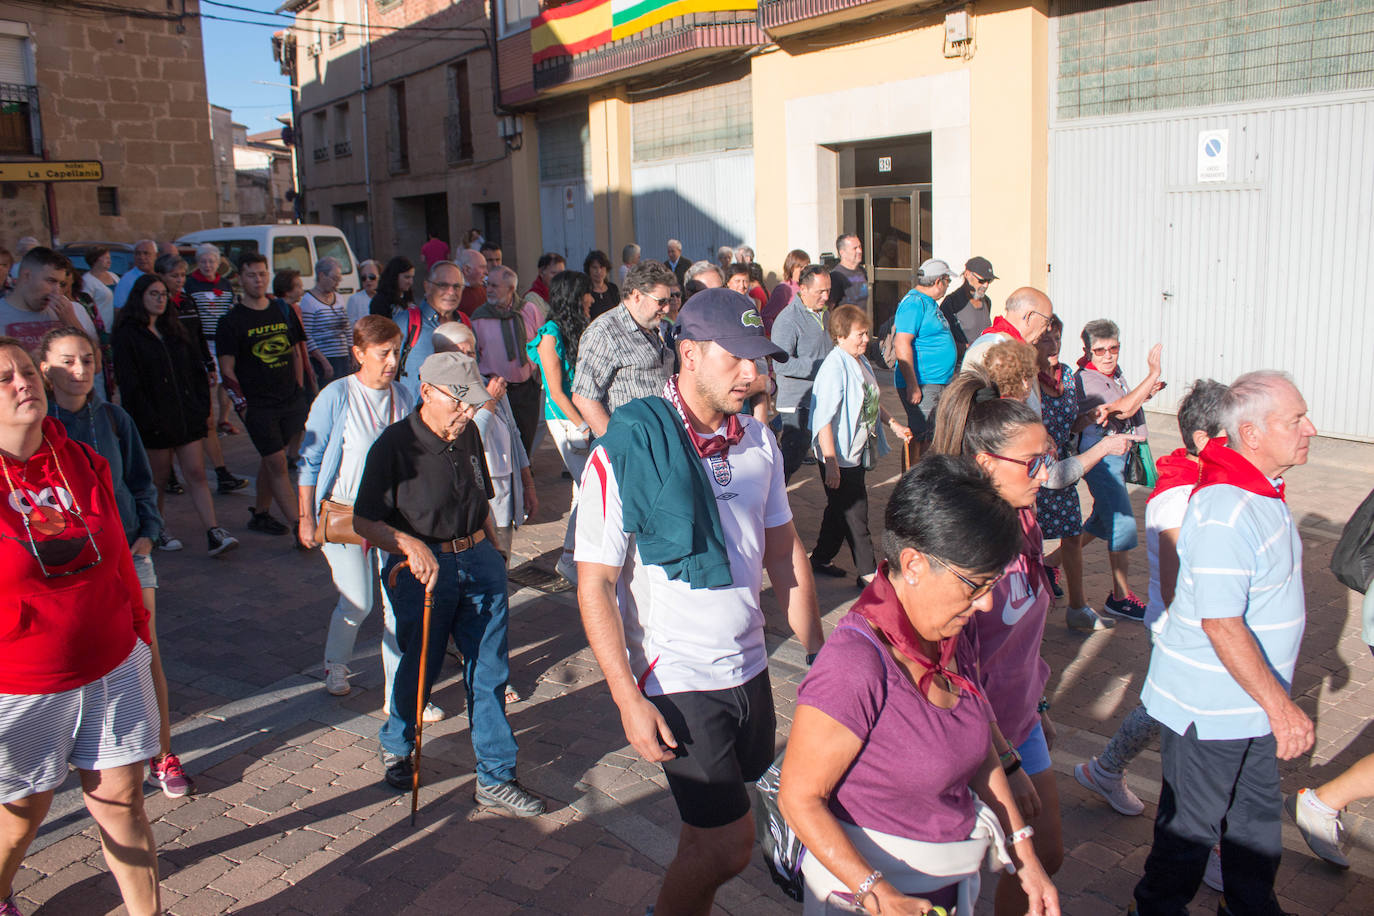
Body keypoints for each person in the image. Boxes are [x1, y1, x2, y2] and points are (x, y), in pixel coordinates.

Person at [575, 288, 824, 916]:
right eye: (736, 357)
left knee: (713, 829)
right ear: (687, 354)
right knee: (728, 847)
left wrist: (820, 655)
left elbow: (784, 553)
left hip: (751, 667)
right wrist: (628, 697)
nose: (754, 372)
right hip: (678, 673)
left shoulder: (759, 444)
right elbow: (596, 583)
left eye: (758, 358)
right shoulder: (624, 448)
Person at [780, 455, 1061, 916]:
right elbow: (799, 797)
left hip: (946, 888)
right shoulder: (855, 665)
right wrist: (879, 894)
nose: (986, 603)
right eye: (975, 585)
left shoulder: (950, 634)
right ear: (912, 563)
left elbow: (974, 745)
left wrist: (1024, 853)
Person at [1134, 371, 1317, 916]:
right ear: (1253, 435)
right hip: (1211, 710)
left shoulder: (1256, 490)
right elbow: (1221, 622)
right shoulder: (1227, 509)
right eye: (1296, 420)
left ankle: (1249, 906)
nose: (1311, 428)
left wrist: (1271, 705)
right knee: (1188, 834)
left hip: (1250, 705)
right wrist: (1282, 708)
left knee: (1255, 823)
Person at [0, 335, 164, 916]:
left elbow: (118, 554)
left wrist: (140, 636)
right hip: (25, 683)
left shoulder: (79, 459)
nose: (24, 384)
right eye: (5, 379)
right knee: (21, 820)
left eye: (26, 372)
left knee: (124, 804)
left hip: (113, 662)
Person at [353, 351, 546, 817]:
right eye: (457, 403)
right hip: (423, 569)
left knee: (491, 670)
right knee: (421, 663)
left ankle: (496, 777)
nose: (466, 413)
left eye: (470, 404)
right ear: (426, 393)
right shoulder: (394, 446)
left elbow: (480, 499)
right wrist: (405, 544)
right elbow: (363, 520)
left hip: (477, 560)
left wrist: (495, 553)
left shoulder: (469, 434)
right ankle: (399, 743)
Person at [39, 327, 195, 800]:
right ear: (45, 369)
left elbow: (141, 480)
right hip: (63, 567)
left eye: (87, 359)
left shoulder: (113, 418)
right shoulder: (35, 427)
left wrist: (148, 531)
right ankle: (65, 753)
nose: (80, 370)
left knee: (145, 651)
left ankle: (162, 754)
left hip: (127, 551)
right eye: (68, 361)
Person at [930, 368, 1065, 916]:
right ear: (985, 463)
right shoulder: (957, 546)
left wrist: (1038, 700)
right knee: (957, 875)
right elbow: (949, 669)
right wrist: (1003, 760)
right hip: (972, 739)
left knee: (1045, 854)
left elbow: (1022, 636)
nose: (1045, 474)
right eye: (1032, 463)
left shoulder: (1025, 519)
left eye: (1046, 460)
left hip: (1020, 721)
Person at [1075, 380, 1229, 816]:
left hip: (1200, 631)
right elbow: (1180, 586)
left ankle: (1106, 769)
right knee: (1186, 723)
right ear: (1205, 439)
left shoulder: (1212, 485)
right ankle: (1205, 833)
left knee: (1164, 709)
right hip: (1185, 631)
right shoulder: (1180, 497)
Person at [298, 315, 413, 701]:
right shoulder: (337, 395)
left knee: (397, 603)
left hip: (392, 516)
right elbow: (310, 458)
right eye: (383, 353)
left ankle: (396, 690)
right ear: (359, 354)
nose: (392, 361)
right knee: (359, 600)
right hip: (344, 514)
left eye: (396, 352)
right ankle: (336, 663)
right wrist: (305, 516)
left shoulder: (406, 396)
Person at [112, 274, 238, 557]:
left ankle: (214, 530)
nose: (159, 299)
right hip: (154, 420)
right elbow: (130, 384)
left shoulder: (174, 329)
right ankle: (156, 528)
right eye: (153, 294)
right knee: (158, 479)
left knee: (196, 473)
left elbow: (195, 369)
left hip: (186, 416)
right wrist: (147, 418)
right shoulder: (128, 334)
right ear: (140, 296)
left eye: (163, 294)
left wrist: (200, 406)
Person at [808, 304, 911, 585]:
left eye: (866, 333)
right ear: (840, 336)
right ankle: (869, 575)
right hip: (839, 455)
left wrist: (894, 425)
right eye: (860, 334)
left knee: (838, 509)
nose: (866, 339)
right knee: (856, 514)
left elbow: (872, 401)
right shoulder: (834, 367)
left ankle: (820, 557)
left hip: (856, 452)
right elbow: (823, 420)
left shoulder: (860, 361)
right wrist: (830, 463)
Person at [1073, 320, 1165, 621]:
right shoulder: (1088, 379)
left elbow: (1127, 403)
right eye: (1100, 351)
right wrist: (1152, 374)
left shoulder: (1115, 374)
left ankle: (1051, 563)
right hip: (1099, 458)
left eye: (1113, 349)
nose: (1108, 356)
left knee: (1101, 520)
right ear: (1088, 351)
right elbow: (1122, 409)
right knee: (1122, 521)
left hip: (1118, 455)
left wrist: (1146, 393)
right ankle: (1120, 597)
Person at [217, 253, 308, 543]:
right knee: (278, 463)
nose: (258, 279)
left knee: (273, 459)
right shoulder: (231, 321)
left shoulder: (282, 309)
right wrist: (241, 407)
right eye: (251, 275)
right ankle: (299, 526)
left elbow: (295, 351)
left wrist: (299, 389)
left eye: (262, 273)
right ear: (240, 279)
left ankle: (260, 512)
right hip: (258, 405)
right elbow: (227, 368)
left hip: (289, 399)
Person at [432, 321, 536, 561]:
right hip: (474, 493)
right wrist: (490, 401)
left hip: (504, 489)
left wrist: (527, 484)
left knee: (503, 559)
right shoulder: (443, 395)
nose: (468, 360)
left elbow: (514, 434)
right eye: (459, 354)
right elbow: (470, 436)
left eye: (471, 352)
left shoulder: (489, 381)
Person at [157, 254, 245, 497]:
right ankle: (169, 476)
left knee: (206, 421)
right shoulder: (156, 305)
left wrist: (209, 365)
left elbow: (198, 336)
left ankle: (221, 472)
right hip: (170, 376)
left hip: (193, 370)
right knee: (174, 424)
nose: (178, 280)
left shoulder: (187, 301)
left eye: (182, 275)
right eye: (173, 276)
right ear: (161, 277)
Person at [527, 270, 593, 583]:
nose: (592, 298)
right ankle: (569, 560)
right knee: (591, 488)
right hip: (567, 419)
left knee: (583, 491)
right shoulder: (550, 334)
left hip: (580, 417)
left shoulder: (576, 327)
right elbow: (555, 392)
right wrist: (583, 425)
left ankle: (571, 559)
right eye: (587, 292)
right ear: (574, 296)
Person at [570, 259, 676, 438]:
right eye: (661, 301)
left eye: (669, 300)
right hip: (629, 448)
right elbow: (584, 398)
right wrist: (619, 444)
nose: (666, 308)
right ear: (636, 295)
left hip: (659, 439)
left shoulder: (652, 327)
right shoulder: (604, 332)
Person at [771, 264, 834, 481]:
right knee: (793, 455)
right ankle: (772, 497)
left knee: (827, 451)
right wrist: (819, 367)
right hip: (798, 401)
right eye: (820, 292)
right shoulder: (787, 319)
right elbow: (781, 364)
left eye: (828, 290)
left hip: (823, 398)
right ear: (803, 290)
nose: (825, 296)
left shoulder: (825, 313)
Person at [472, 265, 542, 456]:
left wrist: (539, 379)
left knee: (525, 442)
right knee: (500, 448)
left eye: (495, 286)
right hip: (496, 391)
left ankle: (525, 480)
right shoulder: (479, 317)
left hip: (527, 389)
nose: (489, 290)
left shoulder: (529, 311)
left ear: (511, 289)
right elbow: (474, 355)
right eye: (488, 285)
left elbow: (543, 345)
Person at [892, 259, 958, 457]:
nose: (948, 286)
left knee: (929, 435)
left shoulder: (927, 302)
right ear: (939, 281)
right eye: (948, 281)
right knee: (922, 437)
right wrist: (913, 384)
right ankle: (914, 480)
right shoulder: (914, 303)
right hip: (923, 382)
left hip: (935, 381)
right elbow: (901, 343)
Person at [0, 247, 100, 372]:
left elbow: (96, 366)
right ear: (27, 276)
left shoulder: (72, 310)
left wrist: (71, 322)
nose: (56, 291)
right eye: (50, 281)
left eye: (61, 284)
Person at [392, 260, 471, 400]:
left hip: (459, 415)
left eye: (457, 286)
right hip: (416, 416)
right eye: (443, 285)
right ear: (427, 287)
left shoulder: (465, 323)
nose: (451, 292)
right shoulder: (406, 322)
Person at [183, 244, 238, 437]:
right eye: (203, 261)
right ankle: (207, 419)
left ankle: (223, 419)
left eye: (211, 261)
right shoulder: (190, 284)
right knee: (207, 380)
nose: (208, 265)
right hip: (202, 340)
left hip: (223, 339)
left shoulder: (225, 283)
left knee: (227, 378)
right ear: (198, 263)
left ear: (218, 263)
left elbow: (231, 308)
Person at [300, 257, 352, 382]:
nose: (337, 283)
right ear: (322, 276)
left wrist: (352, 352)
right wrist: (324, 361)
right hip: (324, 357)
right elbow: (307, 335)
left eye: (339, 279)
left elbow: (347, 328)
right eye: (334, 279)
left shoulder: (338, 298)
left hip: (342, 355)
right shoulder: (309, 301)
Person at [940, 256, 997, 361]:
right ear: (967, 275)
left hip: (983, 365)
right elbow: (942, 340)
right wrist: (966, 348)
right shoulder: (951, 302)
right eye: (982, 280)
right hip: (960, 367)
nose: (986, 285)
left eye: (989, 281)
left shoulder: (987, 302)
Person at [763, 249, 810, 335]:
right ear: (791, 268)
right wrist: (779, 336)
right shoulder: (783, 289)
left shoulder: (807, 286)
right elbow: (766, 316)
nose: (804, 270)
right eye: (801, 267)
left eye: (806, 267)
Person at [111, 238, 156, 311]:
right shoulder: (127, 280)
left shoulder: (160, 276)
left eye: (146, 253)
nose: (141, 257)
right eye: (138, 253)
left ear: (156, 255)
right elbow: (118, 309)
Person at [80, 245, 117, 333]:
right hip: (102, 330)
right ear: (95, 259)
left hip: (118, 328)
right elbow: (87, 308)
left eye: (110, 258)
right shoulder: (87, 281)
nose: (109, 261)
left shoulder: (114, 276)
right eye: (106, 258)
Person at [828, 234, 868, 308]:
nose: (859, 251)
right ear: (842, 252)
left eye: (860, 247)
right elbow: (830, 308)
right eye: (854, 248)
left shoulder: (862, 271)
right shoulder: (836, 276)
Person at [523, 253, 565, 323]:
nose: (559, 277)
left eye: (561, 273)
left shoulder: (565, 294)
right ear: (541, 273)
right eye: (554, 273)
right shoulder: (532, 298)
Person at [584, 249, 620, 320]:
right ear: (588, 269)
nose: (598, 271)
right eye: (594, 267)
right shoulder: (584, 289)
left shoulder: (613, 288)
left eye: (601, 267)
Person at [346, 259, 380, 329]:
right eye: (363, 278)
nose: (368, 280)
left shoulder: (386, 298)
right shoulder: (354, 300)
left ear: (379, 277)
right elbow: (351, 327)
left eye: (372, 277)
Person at [457, 249, 488, 317]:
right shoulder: (455, 295)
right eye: (482, 267)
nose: (486, 272)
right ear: (467, 270)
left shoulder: (486, 290)